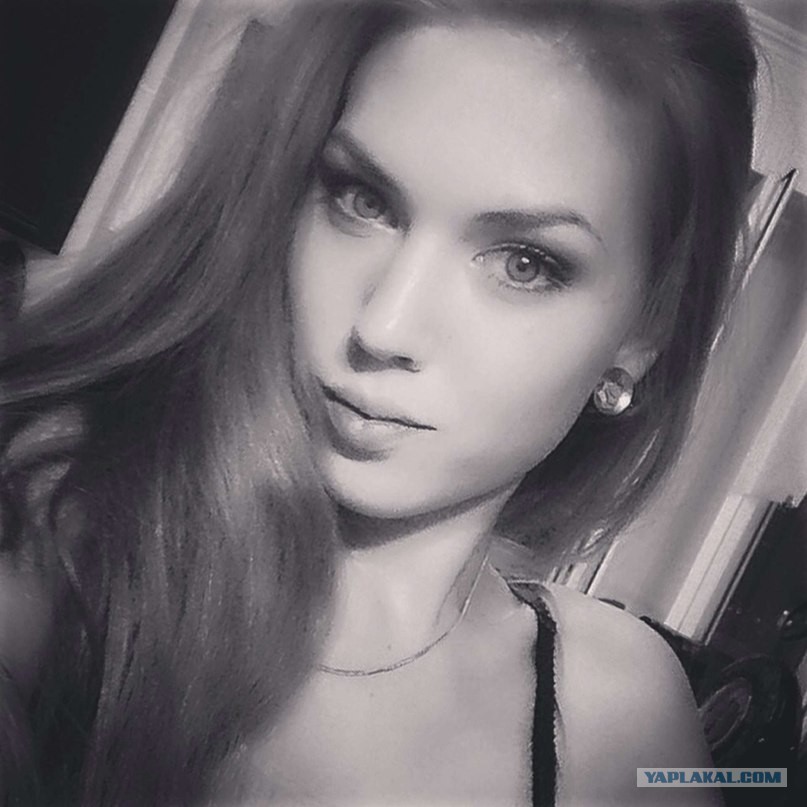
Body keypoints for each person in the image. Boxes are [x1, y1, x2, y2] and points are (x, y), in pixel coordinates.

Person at [0, 0, 757, 804]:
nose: (382, 326)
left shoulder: (621, 712)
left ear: (645, 329)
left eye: (524, 263)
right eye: (363, 200)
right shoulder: (70, 549)